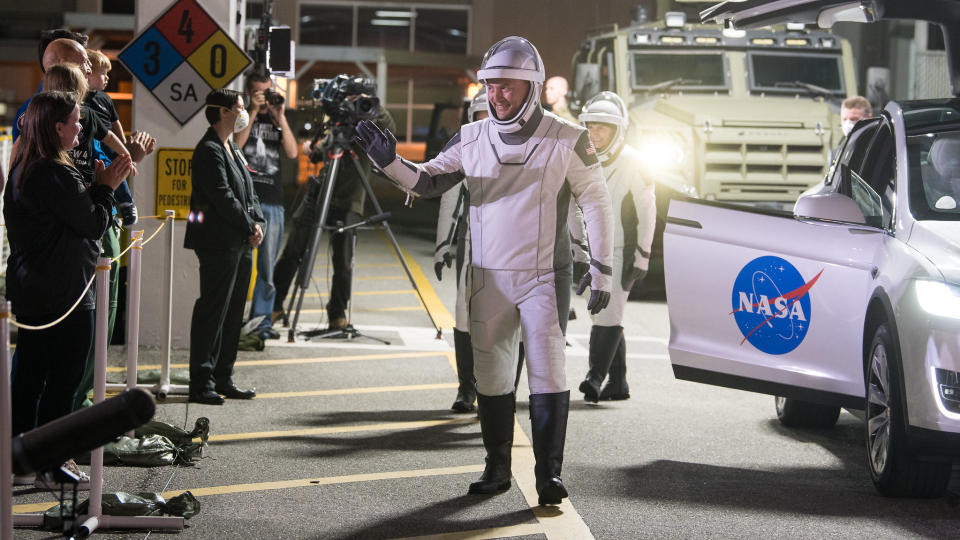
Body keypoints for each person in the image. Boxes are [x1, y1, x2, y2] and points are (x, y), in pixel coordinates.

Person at [355, 36, 614, 506]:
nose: (497, 96)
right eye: (490, 86)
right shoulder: (471, 136)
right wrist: (388, 162)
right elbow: (430, 179)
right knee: (491, 380)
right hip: (486, 276)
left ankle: (547, 476)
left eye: (507, 87)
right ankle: (496, 467)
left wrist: (602, 267)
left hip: (544, 275)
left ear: (532, 86)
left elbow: (596, 200)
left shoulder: (567, 137)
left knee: (548, 374)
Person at [5, 91, 132, 487]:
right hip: (64, 293)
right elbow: (92, 224)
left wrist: (96, 187)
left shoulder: (27, 167)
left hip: (34, 288)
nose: (83, 127)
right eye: (76, 121)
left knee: (30, 378)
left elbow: (72, 218)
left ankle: (23, 461)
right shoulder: (54, 173)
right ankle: (50, 463)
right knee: (62, 380)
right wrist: (107, 185)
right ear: (57, 127)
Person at [272, 83, 395, 331]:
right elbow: (320, 151)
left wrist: (364, 103)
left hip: (349, 199)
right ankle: (273, 306)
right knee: (293, 252)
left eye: (356, 98)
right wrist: (313, 148)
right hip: (319, 196)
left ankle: (336, 314)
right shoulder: (338, 126)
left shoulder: (366, 127)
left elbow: (389, 127)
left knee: (343, 261)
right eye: (348, 98)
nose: (351, 103)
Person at [185, 88, 265, 405]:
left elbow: (248, 191)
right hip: (218, 242)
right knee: (213, 311)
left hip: (240, 241)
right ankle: (201, 382)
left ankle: (223, 376)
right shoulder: (209, 150)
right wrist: (249, 225)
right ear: (223, 111)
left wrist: (256, 223)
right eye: (240, 107)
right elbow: (222, 197)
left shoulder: (231, 148)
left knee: (233, 313)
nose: (244, 113)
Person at [575, 92, 656, 402]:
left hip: (620, 249)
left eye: (603, 129)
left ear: (618, 130)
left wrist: (643, 255)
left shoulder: (634, 161)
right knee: (607, 315)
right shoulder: (580, 156)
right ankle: (618, 382)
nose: (595, 135)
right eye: (591, 128)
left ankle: (594, 378)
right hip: (589, 250)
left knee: (607, 314)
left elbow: (648, 211)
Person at [435, 89, 488, 413]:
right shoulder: (464, 146)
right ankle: (466, 389)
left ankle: (501, 391)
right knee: (464, 314)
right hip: (473, 245)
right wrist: (443, 244)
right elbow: (448, 196)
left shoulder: (529, 145)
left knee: (511, 324)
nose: (487, 122)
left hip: (516, 251)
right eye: (480, 115)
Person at [234, 72, 299, 340]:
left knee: (267, 267)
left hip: (273, 200)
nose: (264, 96)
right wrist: (252, 110)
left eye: (267, 91)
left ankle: (261, 321)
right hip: (247, 198)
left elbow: (293, 152)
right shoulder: (242, 115)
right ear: (249, 92)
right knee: (240, 261)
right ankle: (234, 318)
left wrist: (279, 114)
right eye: (258, 92)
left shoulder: (277, 119)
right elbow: (237, 146)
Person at [85, 48, 149, 227]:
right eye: (103, 74)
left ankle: (127, 204)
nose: (106, 78)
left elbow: (116, 124)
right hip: (93, 144)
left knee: (119, 168)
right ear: (88, 75)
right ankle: (111, 202)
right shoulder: (80, 99)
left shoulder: (105, 99)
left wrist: (124, 147)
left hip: (110, 143)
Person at [12, 29, 89, 143]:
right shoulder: (35, 110)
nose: (89, 69)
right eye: (83, 61)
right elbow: (23, 154)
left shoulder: (79, 103)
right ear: (63, 63)